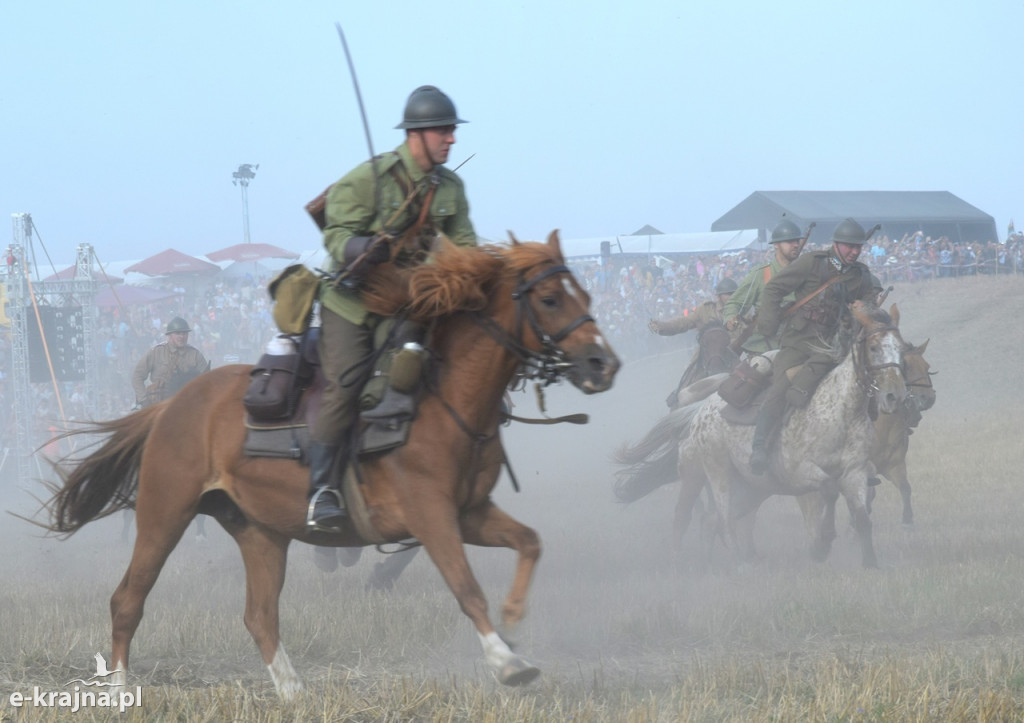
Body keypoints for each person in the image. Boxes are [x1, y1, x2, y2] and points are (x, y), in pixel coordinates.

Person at [308, 85, 478, 532]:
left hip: (402, 304)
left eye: (452, 131)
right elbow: (335, 235)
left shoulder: (450, 188)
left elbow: (465, 249)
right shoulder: (370, 179)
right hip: (350, 305)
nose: (452, 139)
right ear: (417, 135)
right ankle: (322, 492)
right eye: (444, 131)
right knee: (345, 388)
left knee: (423, 374)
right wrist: (360, 247)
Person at [747, 218, 876, 475]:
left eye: (858, 247)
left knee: (867, 391)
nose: (854, 251)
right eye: (849, 246)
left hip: (833, 347)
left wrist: (863, 313)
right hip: (798, 342)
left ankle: (863, 454)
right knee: (781, 388)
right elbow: (773, 289)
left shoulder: (860, 275)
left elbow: (871, 306)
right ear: (836, 244)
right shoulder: (812, 263)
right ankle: (759, 447)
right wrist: (768, 326)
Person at [648, 277, 738, 407]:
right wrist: (664, 326)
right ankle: (678, 399)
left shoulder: (741, 311)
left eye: (734, 293)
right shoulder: (706, 309)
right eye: (728, 294)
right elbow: (686, 322)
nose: (731, 296)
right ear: (719, 296)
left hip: (733, 354)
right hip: (706, 355)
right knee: (689, 377)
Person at [723, 218, 805, 355]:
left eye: (797, 241)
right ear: (776, 245)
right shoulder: (761, 274)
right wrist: (731, 318)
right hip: (764, 346)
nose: (796, 245)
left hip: (799, 344)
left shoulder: (807, 273)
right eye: (790, 241)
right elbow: (735, 303)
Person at [131, 317, 209, 407]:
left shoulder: (195, 355)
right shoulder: (156, 352)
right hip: (159, 404)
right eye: (178, 333)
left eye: (184, 333)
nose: (182, 336)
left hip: (187, 404)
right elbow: (137, 376)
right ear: (170, 335)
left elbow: (207, 380)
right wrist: (144, 400)